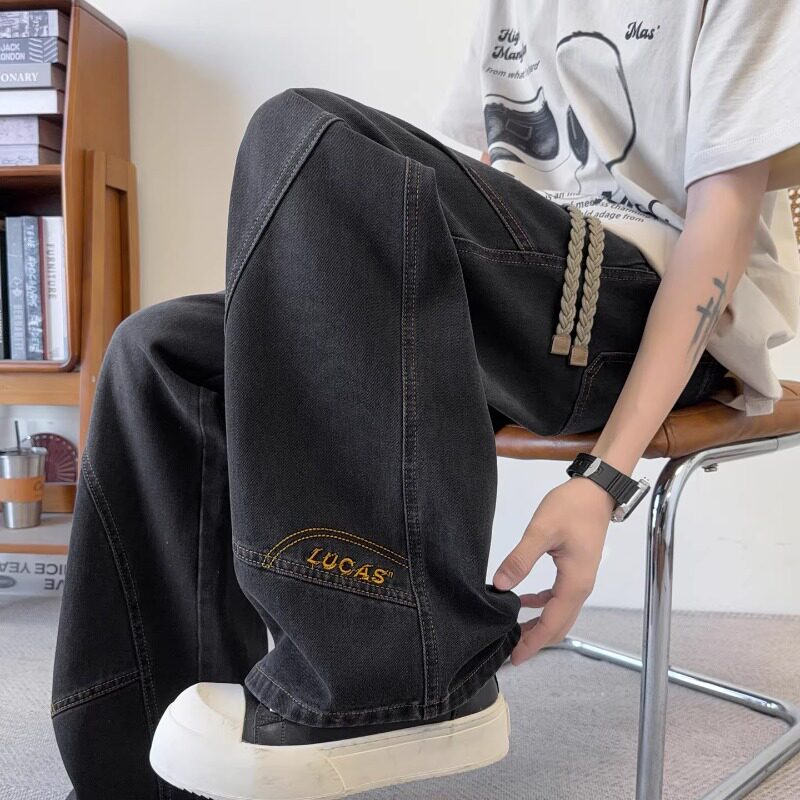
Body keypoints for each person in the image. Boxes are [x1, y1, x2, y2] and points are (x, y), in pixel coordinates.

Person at [51, 2, 799, 799]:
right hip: (524, 305)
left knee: (306, 130)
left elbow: (718, 229)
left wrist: (605, 477)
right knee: (160, 351)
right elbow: (485, 187)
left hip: (647, 310)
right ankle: (142, 776)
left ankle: (392, 671)